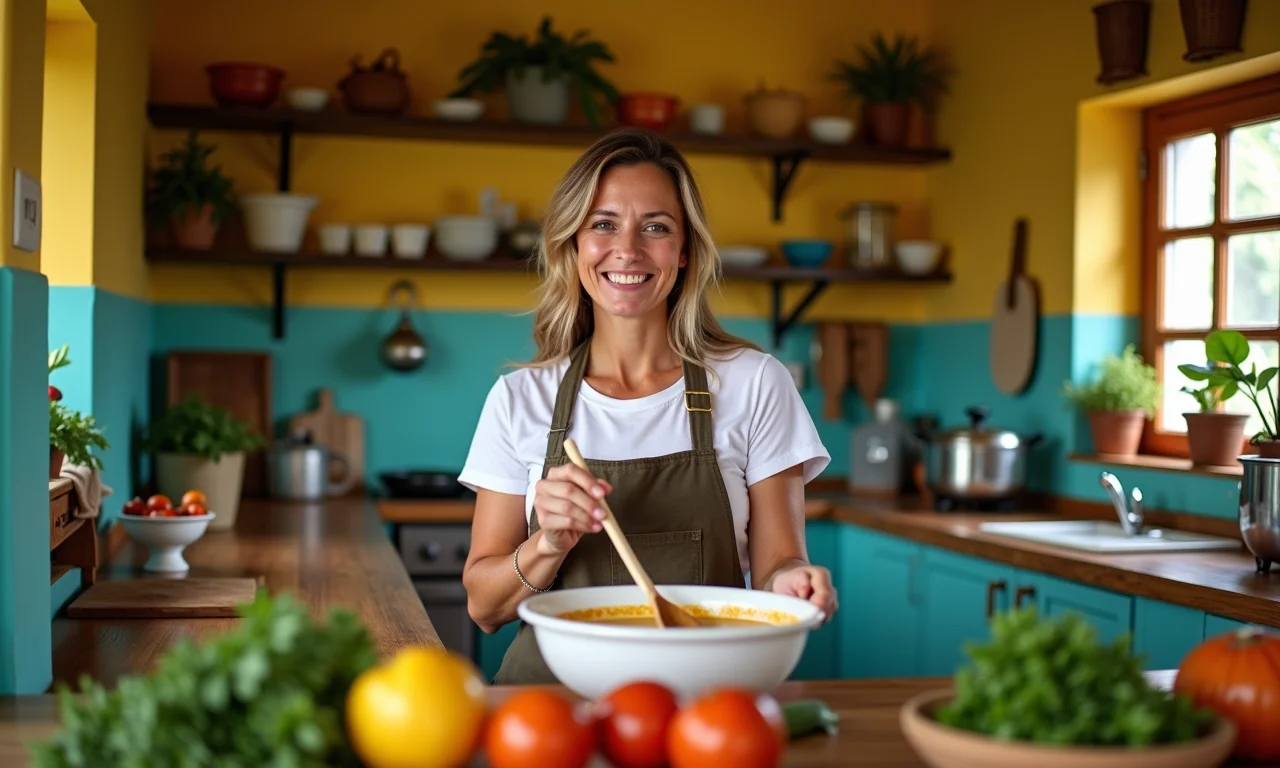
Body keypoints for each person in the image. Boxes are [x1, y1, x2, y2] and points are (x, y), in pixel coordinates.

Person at [458, 126, 837, 685]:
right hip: (551, 711)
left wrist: (795, 583)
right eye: (603, 225)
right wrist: (549, 542)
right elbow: (484, 607)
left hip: (704, 700)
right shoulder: (520, 399)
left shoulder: (755, 384)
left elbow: (779, 563)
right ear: (574, 244)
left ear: (684, 251)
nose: (628, 250)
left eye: (655, 228)